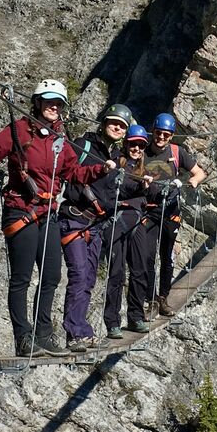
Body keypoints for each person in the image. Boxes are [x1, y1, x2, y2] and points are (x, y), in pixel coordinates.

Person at [0, 79, 116, 358]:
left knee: (50, 276)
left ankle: (43, 336)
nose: (54, 107)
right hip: (21, 209)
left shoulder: (61, 138)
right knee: (21, 278)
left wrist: (99, 171)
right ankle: (23, 339)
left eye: (58, 103)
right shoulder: (20, 130)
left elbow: (72, 173)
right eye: (49, 101)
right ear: (37, 102)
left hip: (48, 213)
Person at [59, 104, 145, 351]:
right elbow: (68, 171)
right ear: (104, 123)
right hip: (74, 218)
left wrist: (144, 186)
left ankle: (82, 331)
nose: (117, 127)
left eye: (122, 125)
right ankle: (75, 333)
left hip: (95, 226)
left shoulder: (118, 157)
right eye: (113, 123)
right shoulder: (82, 145)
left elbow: (119, 189)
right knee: (78, 275)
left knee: (87, 279)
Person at [133, 112, 206, 323]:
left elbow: (199, 173)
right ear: (152, 132)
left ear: (171, 136)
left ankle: (163, 298)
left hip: (171, 210)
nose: (161, 138)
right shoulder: (143, 152)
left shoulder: (177, 152)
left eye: (166, 134)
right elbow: (130, 172)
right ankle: (150, 300)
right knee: (147, 256)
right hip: (149, 210)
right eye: (158, 133)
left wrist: (192, 182)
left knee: (167, 257)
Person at [103, 124, 151, 338]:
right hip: (116, 220)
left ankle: (136, 316)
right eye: (133, 144)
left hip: (136, 221)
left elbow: (154, 193)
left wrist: (152, 186)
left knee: (139, 270)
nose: (137, 149)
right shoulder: (115, 162)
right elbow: (115, 187)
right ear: (126, 144)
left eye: (140, 146)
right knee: (116, 272)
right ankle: (112, 322)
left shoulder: (144, 169)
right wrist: (141, 186)